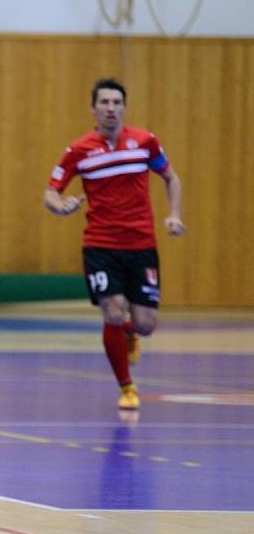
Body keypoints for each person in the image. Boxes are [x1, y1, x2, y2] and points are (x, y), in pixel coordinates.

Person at [43, 77, 185, 411]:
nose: (111, 109)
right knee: (112, 309)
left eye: (117, 102)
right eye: (104, 103)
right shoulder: (78, 151)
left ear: (124, 107)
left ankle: (131, 333)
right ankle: (127, 387)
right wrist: (60, 206)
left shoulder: (145, 142)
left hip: (141, 245)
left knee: (146, 324)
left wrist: (174, 215)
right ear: (93, 108)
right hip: (100, 246)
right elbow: (50, 192)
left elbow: (170, 177)